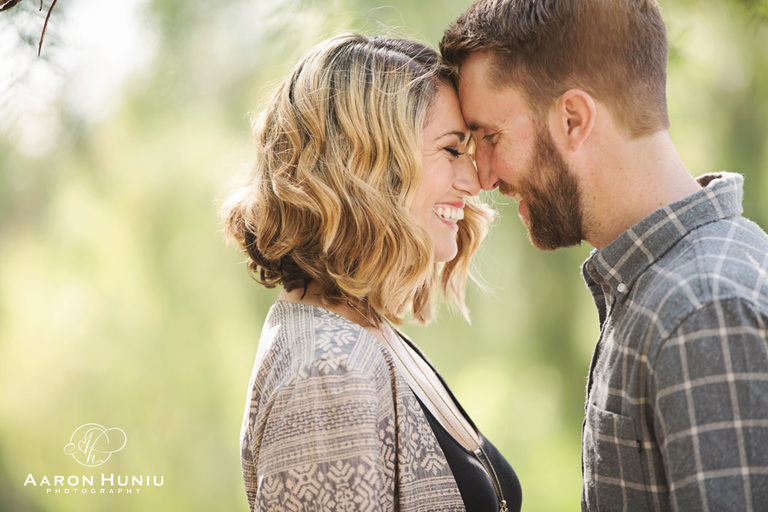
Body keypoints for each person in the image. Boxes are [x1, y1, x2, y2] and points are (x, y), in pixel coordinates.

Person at [440, 1, 768, 511]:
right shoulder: (659, 286)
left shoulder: (701, 311)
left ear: (573, 118)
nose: (482, 177)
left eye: (490, 137)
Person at [221, 33, 523, 512]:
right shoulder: (328, 372)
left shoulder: (360, 330)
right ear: (369, 169)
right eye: (450, 150)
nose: (475, 180)